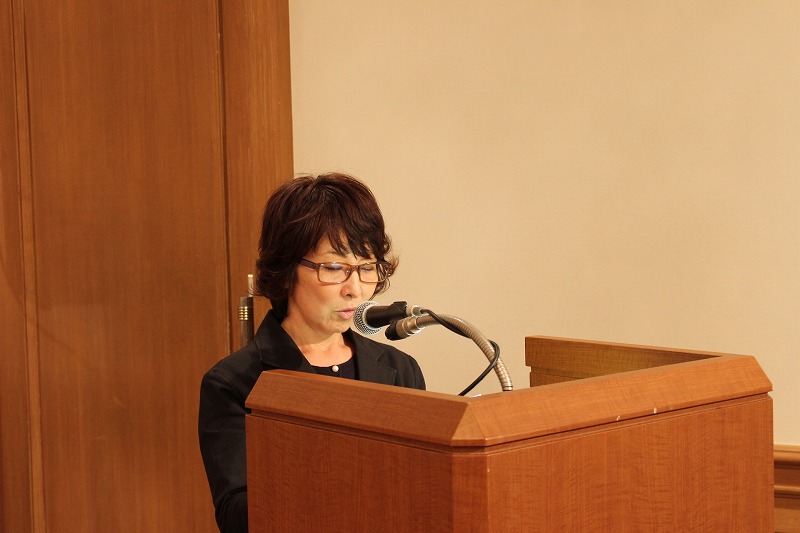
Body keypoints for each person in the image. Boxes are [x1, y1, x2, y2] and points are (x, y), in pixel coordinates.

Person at [198, 173, 426, 533]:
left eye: (367, 267)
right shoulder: (235, 382)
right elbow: (238, 515)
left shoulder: (400, 369)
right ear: (287, 269)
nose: (355, 289)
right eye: (334, 268)